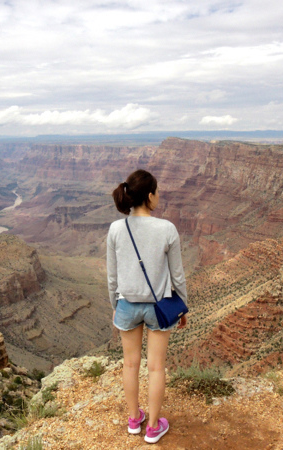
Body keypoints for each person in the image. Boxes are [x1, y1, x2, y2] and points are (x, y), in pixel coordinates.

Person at [107, 169, 188, 444]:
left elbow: (112, 276)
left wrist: (114, 306)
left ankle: (133, 419)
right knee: (156, 367)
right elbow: (177, 275)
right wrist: (183, 306)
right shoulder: (167, 229)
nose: (159, 197)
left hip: (126, 304)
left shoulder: (116, 229)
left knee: (130, 364)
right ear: (150, 196)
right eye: (158, 192)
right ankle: (153, 427)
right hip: (159, 307)